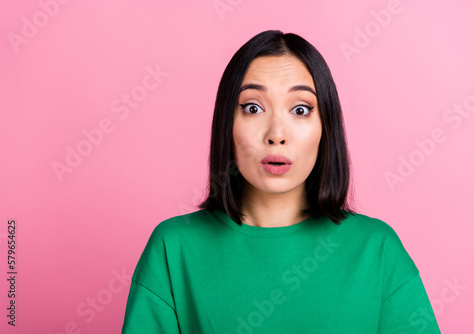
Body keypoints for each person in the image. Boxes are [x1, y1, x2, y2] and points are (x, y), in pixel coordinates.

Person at [121, 30, 441, 333]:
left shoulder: (376, 251)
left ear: (325, 127)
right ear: (226, 125)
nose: (276, 135)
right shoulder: (174, 248)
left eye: (300, 110)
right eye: (253, 108)